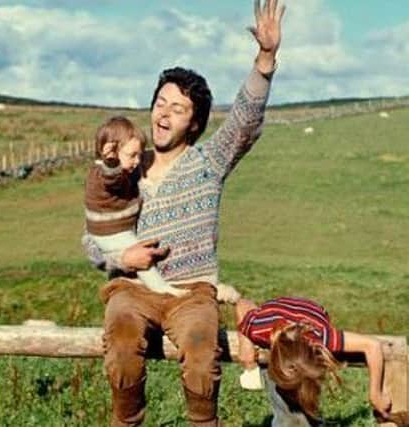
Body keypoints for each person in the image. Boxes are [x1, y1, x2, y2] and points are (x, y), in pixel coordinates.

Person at [81, 1, 286, 425]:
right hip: (133, 289)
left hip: (192, 291)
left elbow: (245, 121)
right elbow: (92, 236)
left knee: (200, 345)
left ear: (193, 124)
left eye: (178, 109)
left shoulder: (209, 161)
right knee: (120, 337)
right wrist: (123, 260)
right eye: (161, 102)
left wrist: (265, 61)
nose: (163, 113)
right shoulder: (125, 172)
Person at [235, 296, 392, 426]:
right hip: (274, 312)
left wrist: (375, 394)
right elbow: (243, 303)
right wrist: (245, 342)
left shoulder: (322, 338)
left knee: (303, 405)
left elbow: (373, 346)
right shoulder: (259, 329)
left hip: (313, 311)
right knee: (288, 409)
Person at [84, 116, 189, 297]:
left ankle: (146, 274)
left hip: (113, 229)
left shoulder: (117, 171)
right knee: (140, 254)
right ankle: (161, 288)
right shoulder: (105, 173)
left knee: (137, 248)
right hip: (109, 230)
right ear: (110, 152)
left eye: (139, 155)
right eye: (132, 155)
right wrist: (111, 162)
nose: (137, 161)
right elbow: (113, 179)